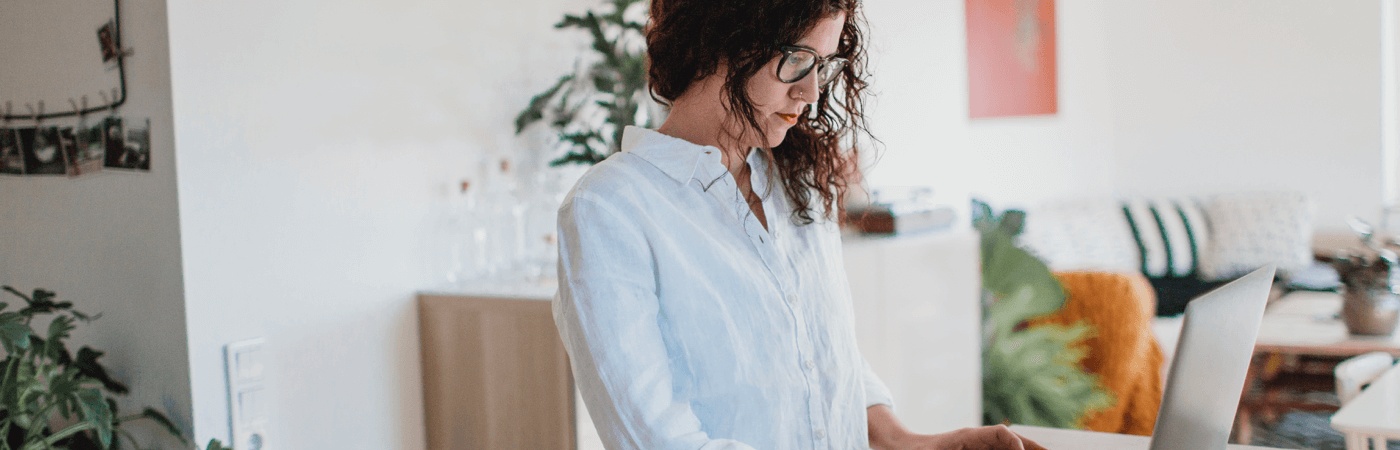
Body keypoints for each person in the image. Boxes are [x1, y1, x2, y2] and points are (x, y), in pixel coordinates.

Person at [553, 0, 1048, 448]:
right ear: (722, 39)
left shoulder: (795, 182)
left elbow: (824, 356)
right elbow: (658, 439)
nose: (810, 91)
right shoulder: (609, 209)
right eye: (797, 59)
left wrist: (907, 442)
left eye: (822, 64)